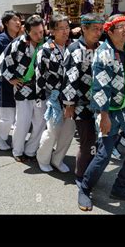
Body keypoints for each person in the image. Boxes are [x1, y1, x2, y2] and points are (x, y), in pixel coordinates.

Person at [77, 14, 125, 212]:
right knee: (104, 155)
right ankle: (84, 188)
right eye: (121, 27)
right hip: (107, 111)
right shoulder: (104, 53)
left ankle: (120, 187)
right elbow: (100, 88)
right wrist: (104, 116)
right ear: (109, 32)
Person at [61, 13, 104, 185]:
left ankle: (91, 172)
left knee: (98, 141)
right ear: (84, 28)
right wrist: (69, 104)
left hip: (100, 103)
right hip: (81, 103)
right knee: (87, 142)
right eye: (95, 29)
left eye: (101, 29)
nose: (98, 33)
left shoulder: (101, 47)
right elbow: (69, 79)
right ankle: (81, 176)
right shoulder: (75, 49)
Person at [1, 14, 46, 162]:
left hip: (40, 88)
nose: (39, 35)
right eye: (35, 33)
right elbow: (4, 61)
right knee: (23, 121)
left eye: (41, 32)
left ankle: (31, 149)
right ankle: (18, 150)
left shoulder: (46, 43)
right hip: (22, 87)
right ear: (27, 31)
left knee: (40, 121)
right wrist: (11, 79)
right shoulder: (17, 43)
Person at [36, 14, 76, 172]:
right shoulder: (45, 50)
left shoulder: (73, 47)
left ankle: (57, 159)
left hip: (72, 97)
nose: (65, 31)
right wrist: (41, 99)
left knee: (69, 130)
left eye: (67, 27)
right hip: (53, 97)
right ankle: (43, 158)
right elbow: (40, 76)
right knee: (53, 130)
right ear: (52, 31)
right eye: (61, 28)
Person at [0, 11, 23, 150]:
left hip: (18, 82)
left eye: (19, 20)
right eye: (15, 20)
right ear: (6, 23)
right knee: (7, 117)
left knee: (17, 116)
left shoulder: (20, 39)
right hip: (5, 81)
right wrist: (10, 78)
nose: (18, 23)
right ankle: (0, 138)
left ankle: (5, 138)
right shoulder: (1, 39)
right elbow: (1, 62)